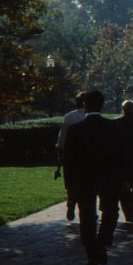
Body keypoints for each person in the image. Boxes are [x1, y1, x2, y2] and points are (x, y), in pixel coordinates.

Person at [64, 90, 124, 265]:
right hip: (109, 177)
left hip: (84, 179)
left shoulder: (75, 130)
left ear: (84, 106)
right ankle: (103, 242)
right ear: (102, 105)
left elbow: (69, 160)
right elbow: (121, 156)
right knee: (110, 211)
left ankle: (91, 250)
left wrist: (70, 185)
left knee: (87, 214)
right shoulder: (113, 127)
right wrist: (123, 178)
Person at [56, 91, 87, 221]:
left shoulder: (69, 117)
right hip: (86, 156)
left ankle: (71, 201)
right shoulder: (89, 117)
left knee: (72, 182)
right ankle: (83, 208)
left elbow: (62, 139)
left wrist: (60, 155)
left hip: (71, 155)